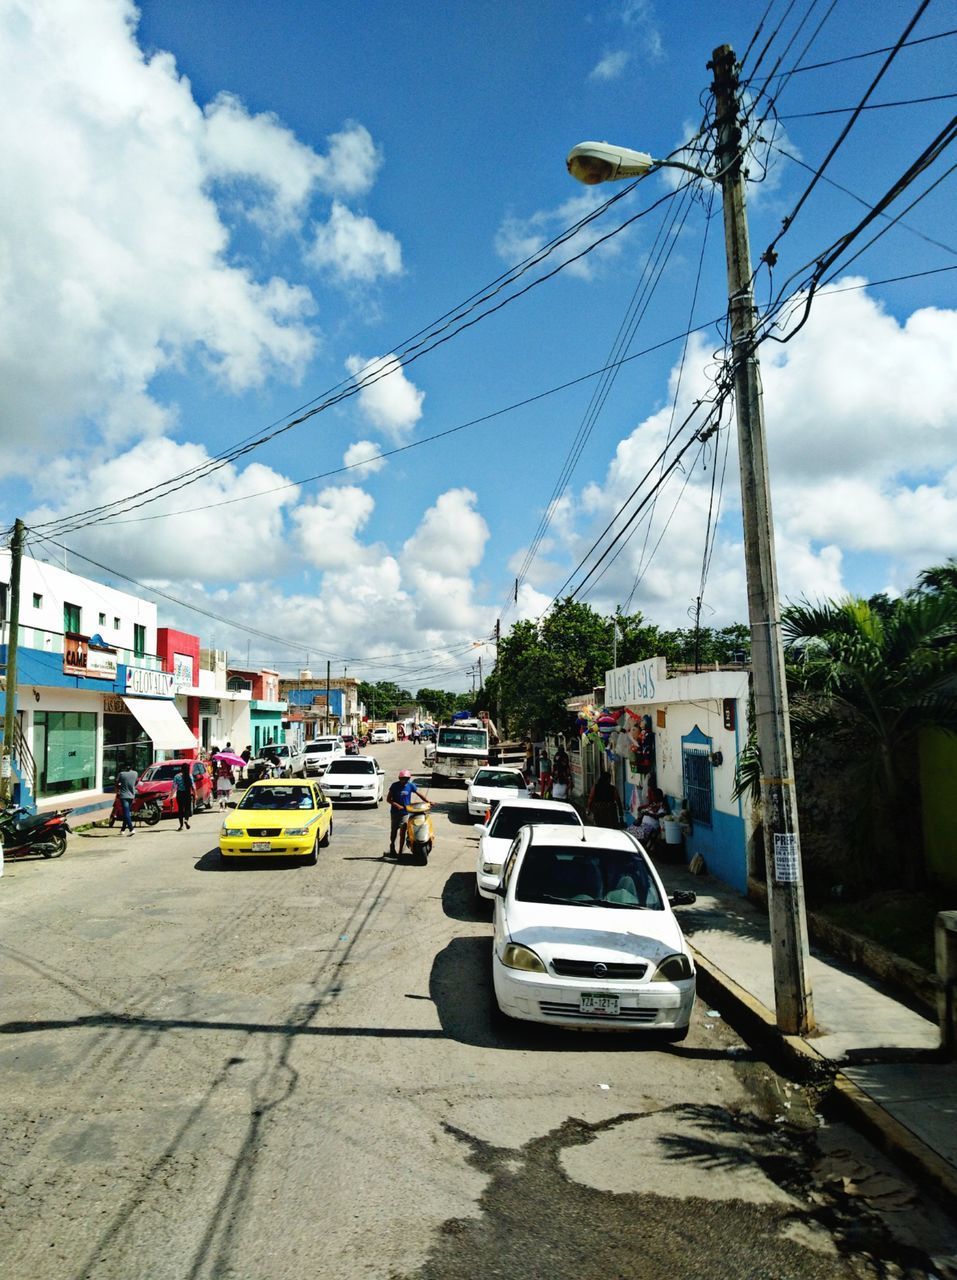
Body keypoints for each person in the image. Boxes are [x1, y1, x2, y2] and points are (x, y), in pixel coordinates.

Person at [387, 768, 421, 856]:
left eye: (406, 779)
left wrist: (428, 801)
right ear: (399, 778)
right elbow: (388, 799)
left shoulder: (411, 786)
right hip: (395, 812)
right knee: (394, 831)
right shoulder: (394, 786)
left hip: (405, 813)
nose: (404, 781)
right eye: (402, 779)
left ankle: (400, 851)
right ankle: (392, 845)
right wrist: (397, 805)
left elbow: (419, 794)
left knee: (403, 832)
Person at [116, 760, 139, 837]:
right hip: (132, 795)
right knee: (127, 812)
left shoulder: (121, 774)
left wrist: (119, 787)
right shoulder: (135, 773)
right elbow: (136, 782)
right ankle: (122, 829)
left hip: (123, 796)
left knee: (126, 813)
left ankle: (131, 828)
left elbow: (117, 783)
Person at [172, 763, 194, 831]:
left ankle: (181, 825)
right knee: (187, 808)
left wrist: (171, 794)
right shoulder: (189, 775)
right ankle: (186, 820)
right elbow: (193, 786)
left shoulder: (177, 776)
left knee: (180, 809)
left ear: (181, 769)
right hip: (187, 793)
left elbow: (174, 787)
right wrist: (195, 794)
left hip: (180, 794)